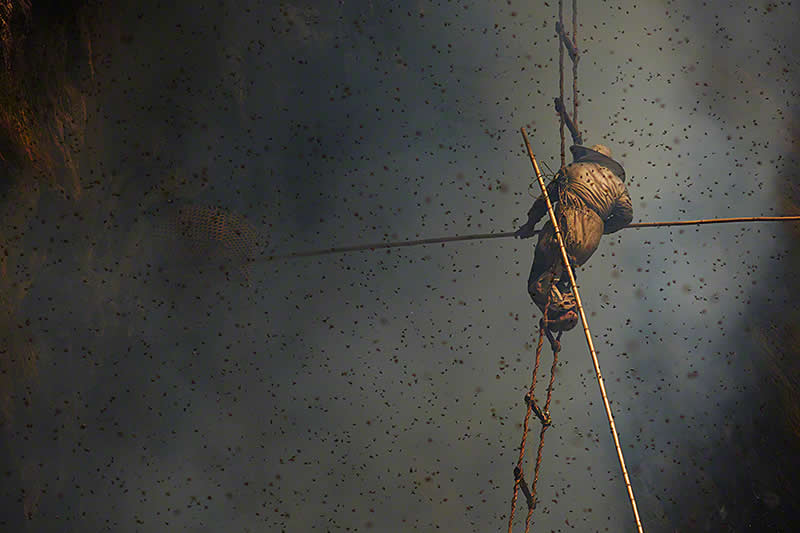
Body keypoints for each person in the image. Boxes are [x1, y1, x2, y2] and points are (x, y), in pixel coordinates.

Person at [515, 144, 633, 332]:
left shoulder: (572, 169)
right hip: (591, 238)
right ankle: (563, 304)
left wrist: (530, 224)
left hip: (566, 225)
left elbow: (546, 199)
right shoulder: (617, 183)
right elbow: (626, 216)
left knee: (538, 283)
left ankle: (562, 312)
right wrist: (602, 229)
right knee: (561, 275)